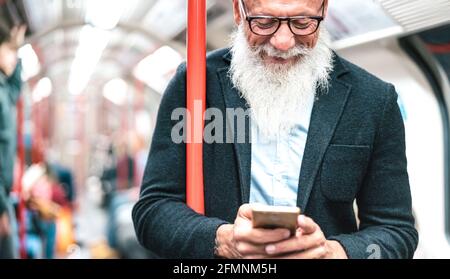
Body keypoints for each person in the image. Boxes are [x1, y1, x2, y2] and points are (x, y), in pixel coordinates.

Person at [132, 0, 418, 259]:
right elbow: (153, 211)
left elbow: (396, 231)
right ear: (237, 11)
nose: (283, 42)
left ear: (324, 11)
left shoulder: (372, 100)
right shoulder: (196, 85)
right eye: (264, 22)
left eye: (302, 22)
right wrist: (222, 239)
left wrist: (335, 253)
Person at [0, 22, 26, 259]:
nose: (13, 58)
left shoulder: (4, 90)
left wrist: (18, 49)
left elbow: (15, 88)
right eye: (9, 51)